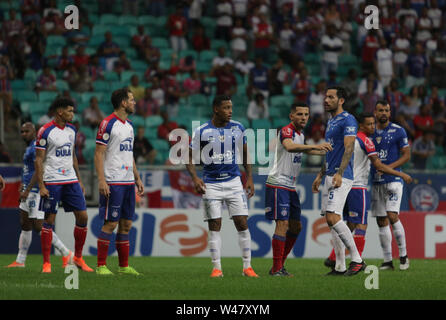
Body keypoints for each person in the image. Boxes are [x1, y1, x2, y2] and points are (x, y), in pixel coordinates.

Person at [324, 113, 413, 271]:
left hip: (342, 183)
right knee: (361, 224)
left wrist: (320, 176)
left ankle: (334, 258)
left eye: (374, 123)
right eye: (370, 124)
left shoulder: (348, 139)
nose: (373, 126)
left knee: (342, 222)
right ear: (361, 126)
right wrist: (401, 174)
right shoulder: (365, 140)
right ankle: (357, 260)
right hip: (357, 186)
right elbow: (378, 165)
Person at [185, 95, 258, 278]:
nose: (230, 111)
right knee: (215, 225)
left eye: (231, 107)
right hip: (211, 184)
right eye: (226, 107)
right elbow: (188, 157)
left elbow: (245, 153)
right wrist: (194, 178)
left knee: (242, 223)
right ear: (216, 109)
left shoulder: (238, 127)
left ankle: (247, 267)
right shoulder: (201, 131)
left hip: (234, 182)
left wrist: (249, 177)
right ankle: (217, 268)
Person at [266, 102, 332, 276]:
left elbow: (305, 151)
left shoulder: (301, 135)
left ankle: (278, 266)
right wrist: (314, 146)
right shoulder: (287, 131)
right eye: (300, 114)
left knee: (296, 227)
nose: (304, 117)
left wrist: (329, 153)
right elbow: (289, 146)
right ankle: (277, 268)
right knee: (282, 224)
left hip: (290, 186)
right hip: (278, 183)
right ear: (291, 116)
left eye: (306, 115)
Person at [311, 86, 366, 276]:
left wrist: (341, 173)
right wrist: (320, 175)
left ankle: (357, 260)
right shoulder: (332, 121)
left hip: (341, 175)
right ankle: (340, 266)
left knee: (333, 216)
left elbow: (349, 148)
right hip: (329, 174)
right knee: (332, 221)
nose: (326, 100)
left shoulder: (348, 119)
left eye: (331, 97)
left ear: (341, 100)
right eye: (325, 97)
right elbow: (330, 151)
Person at [35, 97, 93, 273]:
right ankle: (46, 263)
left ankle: (78, 258)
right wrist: (42, 185)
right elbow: (39, 160)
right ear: (60, 112)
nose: (72, 114)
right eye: (70, 111)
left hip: (71, 180)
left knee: (83, 217)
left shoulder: (72, 130)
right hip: (52, 181)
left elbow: (72, 156)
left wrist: (79, 180)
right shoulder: (45, 131)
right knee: (49, 221)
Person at [6, 122, 74, 268]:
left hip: (36, 190)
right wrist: (22, 186)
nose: (24, 134)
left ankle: (66, 252)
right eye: (22, 131)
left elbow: (39, 169)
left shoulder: (37, 146)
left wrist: (28, 189)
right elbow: (28, 168)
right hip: (27, 189)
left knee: (39, 226)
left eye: (27, 131)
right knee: (25, 224)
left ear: (34, 131)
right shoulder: (29, 147)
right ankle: (20, 261)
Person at [94, 88, 144, 275]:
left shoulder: (129, 125)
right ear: (123, 103)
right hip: (113, 182)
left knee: (126, 224)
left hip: (128, 182)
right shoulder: (107, 124)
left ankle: (123, 267)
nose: (134, 102)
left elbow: (129, 155)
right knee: (111, 224)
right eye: (131, 100)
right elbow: (98, 154)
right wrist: (101, 180)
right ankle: (101, 266)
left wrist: (137, 178)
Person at [370, 100, 411, 270]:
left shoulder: (398, 130)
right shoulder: (369, 131)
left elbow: (407, 155)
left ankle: (403, 255)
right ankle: (387, 261)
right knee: (381, 220)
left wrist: (388, 168)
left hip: (394, 181)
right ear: (375, 112)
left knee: (392, 215)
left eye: (387, 110)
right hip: (376, 182)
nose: (384, 113)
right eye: (381, 110)